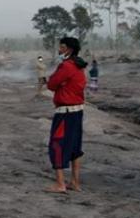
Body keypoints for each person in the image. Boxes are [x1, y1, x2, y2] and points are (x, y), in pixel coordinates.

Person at [45, 36, 87, 194]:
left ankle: (60, 184)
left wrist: (59, 84)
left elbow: (51, 84)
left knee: (57, 145)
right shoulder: (79, 65)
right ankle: (75, 182)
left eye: (62, 47)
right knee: (75, 147)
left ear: (68, 49)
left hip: (65, 113)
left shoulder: (66, 66)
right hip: (77, 112)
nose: (59, 49)